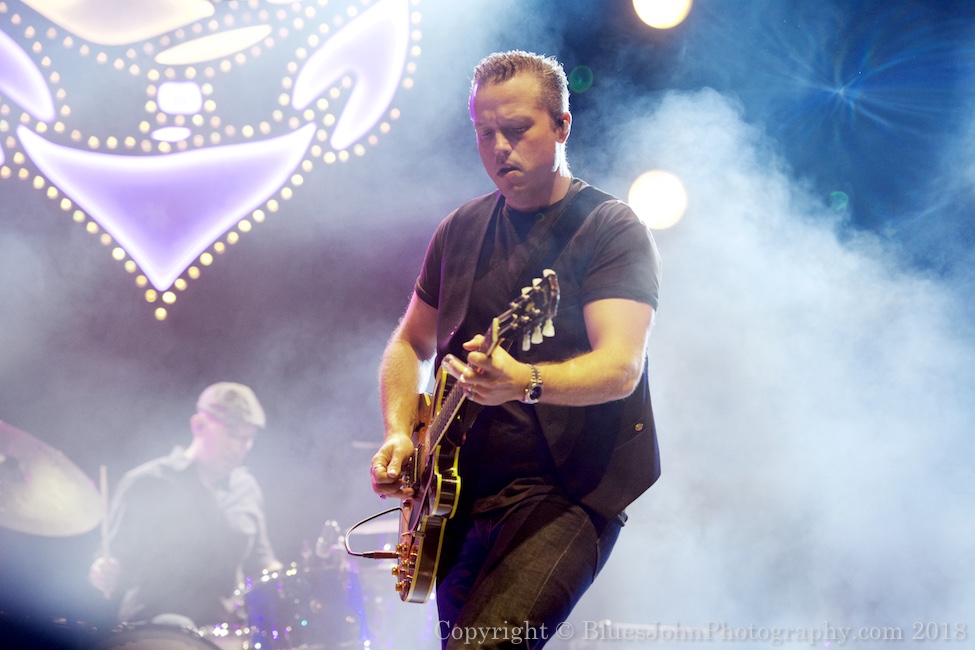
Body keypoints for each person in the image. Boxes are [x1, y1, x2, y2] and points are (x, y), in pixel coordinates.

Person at [369, 50, 662, 648]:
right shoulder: (459, 230)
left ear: (562, 125)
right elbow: (409, 342)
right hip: (457, 500)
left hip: (564, 495)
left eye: (518, 129)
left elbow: (621, 367)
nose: (500, 148)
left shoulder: (610, 228)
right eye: (485, 134)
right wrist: (400, 432)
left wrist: (524, 380)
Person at [88, 382, 282, 628]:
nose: (239, 448)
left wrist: (304, 578)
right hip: (155, 630)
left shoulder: (247, 487)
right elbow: (111, 558)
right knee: (175, 624)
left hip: (226, 632)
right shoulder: (147, 482)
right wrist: (103, 572)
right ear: (198, 425)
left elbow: (262, 561)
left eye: (247, 439)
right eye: (232, 434)